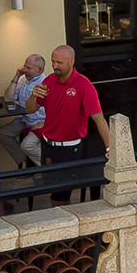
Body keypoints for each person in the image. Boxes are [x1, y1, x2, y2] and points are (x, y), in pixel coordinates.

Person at [26, 45, 111, 204]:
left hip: (69, 148)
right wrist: (33, 95)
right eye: (53, 61)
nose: (55, 66)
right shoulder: (49, 81)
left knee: (60, 197)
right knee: (52, 191)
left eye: (59, 62)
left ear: (71, 62)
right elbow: (30, 109)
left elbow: (98, 118)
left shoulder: (83, 84)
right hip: (47, 144)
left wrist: (109, 148)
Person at [0, 54, 48, 166]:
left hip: (40, 122)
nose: (25, 70)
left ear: (39, 69)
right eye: (25, 66)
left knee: (27, 146)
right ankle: (27, 162)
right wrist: (16, 76)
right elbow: (8, 98)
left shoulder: (45, 83)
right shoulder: (22, 79)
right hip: (26, 120)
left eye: (29, 68)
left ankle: (48, 167)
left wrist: (45, 122)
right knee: (3, 134)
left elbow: (55, 108)